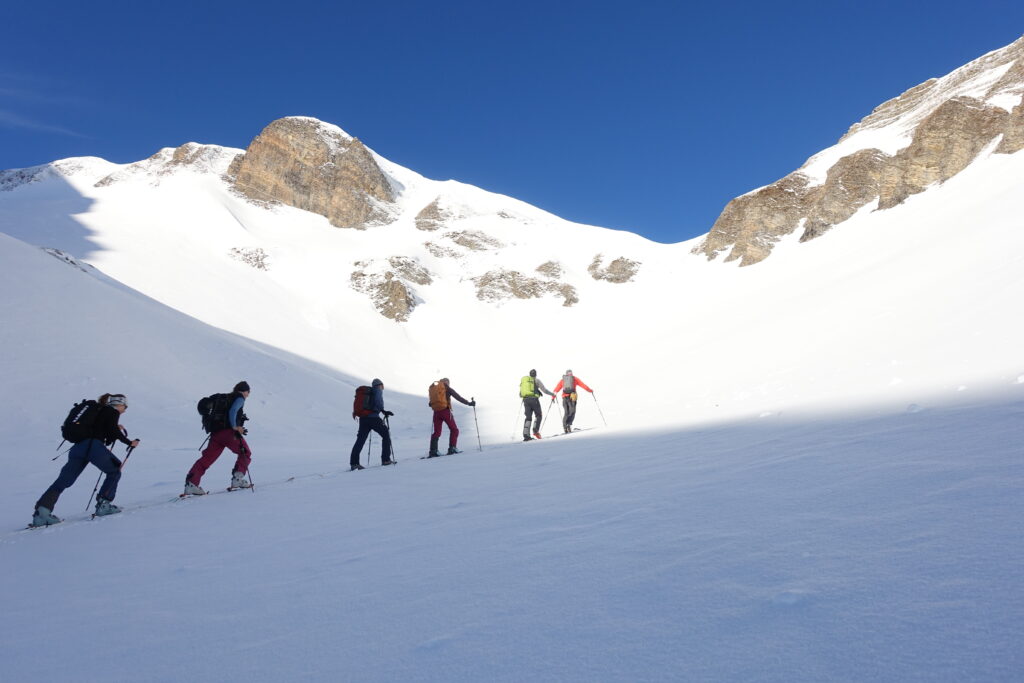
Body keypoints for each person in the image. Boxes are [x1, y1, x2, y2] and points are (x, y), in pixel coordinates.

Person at [31, 393, 141, 526]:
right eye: (125, 407)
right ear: (120, 404)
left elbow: (105, 432)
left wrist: (114, 429)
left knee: (63, 481)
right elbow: (112, 431)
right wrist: (129, 442)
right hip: (93, 447)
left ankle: (42, 514)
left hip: (78, 448)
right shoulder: (112, 411)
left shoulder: (100, 412)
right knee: (115, 470)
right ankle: (104, 506)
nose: (125, 410)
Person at [185, 381, 252, 494]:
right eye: (248, 392)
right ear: (243, 391)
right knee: (245, 453)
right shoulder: (239, 398)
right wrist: (235, 427)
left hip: (216, 434)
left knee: (206, 459)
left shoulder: (226, 398)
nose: (248, 395)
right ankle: (238, 480)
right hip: (229, 434)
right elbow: (233, 410)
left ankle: (192, 484)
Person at [350, 378, 393, 470]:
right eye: (382, 386)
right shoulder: (377, 390)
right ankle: (386, 460)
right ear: (380, 385)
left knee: (360, 440)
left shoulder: (367, 392)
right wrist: (382, 410)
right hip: (373, 418)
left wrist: (382, 411)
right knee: (385, 434)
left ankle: (354, 463)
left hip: (363, 419)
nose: (382, 388)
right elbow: (378, 402)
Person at [427, 377, 475, 457]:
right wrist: (469, 403)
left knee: (437, 432)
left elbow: (430, 403)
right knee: (454, 430)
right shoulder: (447, 388)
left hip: (436, 413)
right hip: (445, 411)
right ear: (447, 383)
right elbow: (458, 397)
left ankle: (433, 451)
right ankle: (452, 448)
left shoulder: (436, 390)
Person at [551, 370, 593, 434]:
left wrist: (553, 396)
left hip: (564, 398)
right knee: (572, 411)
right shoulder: (575, 379)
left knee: (566, 412)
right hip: (572, 397)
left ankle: (565, 427)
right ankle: (568, 424)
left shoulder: (563, 380)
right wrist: (590, 390)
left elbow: (557, 388)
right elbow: (583, 385)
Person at [520, 369, 554, 441]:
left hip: (526, 400)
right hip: (534, 400)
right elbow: (545, 390)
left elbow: (520, 393)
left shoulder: (525, 381)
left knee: (528, 417)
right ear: (536, 374)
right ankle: (535, 431)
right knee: (539, 415)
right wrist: (552, 394)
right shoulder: (536, 380)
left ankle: (526, 435)